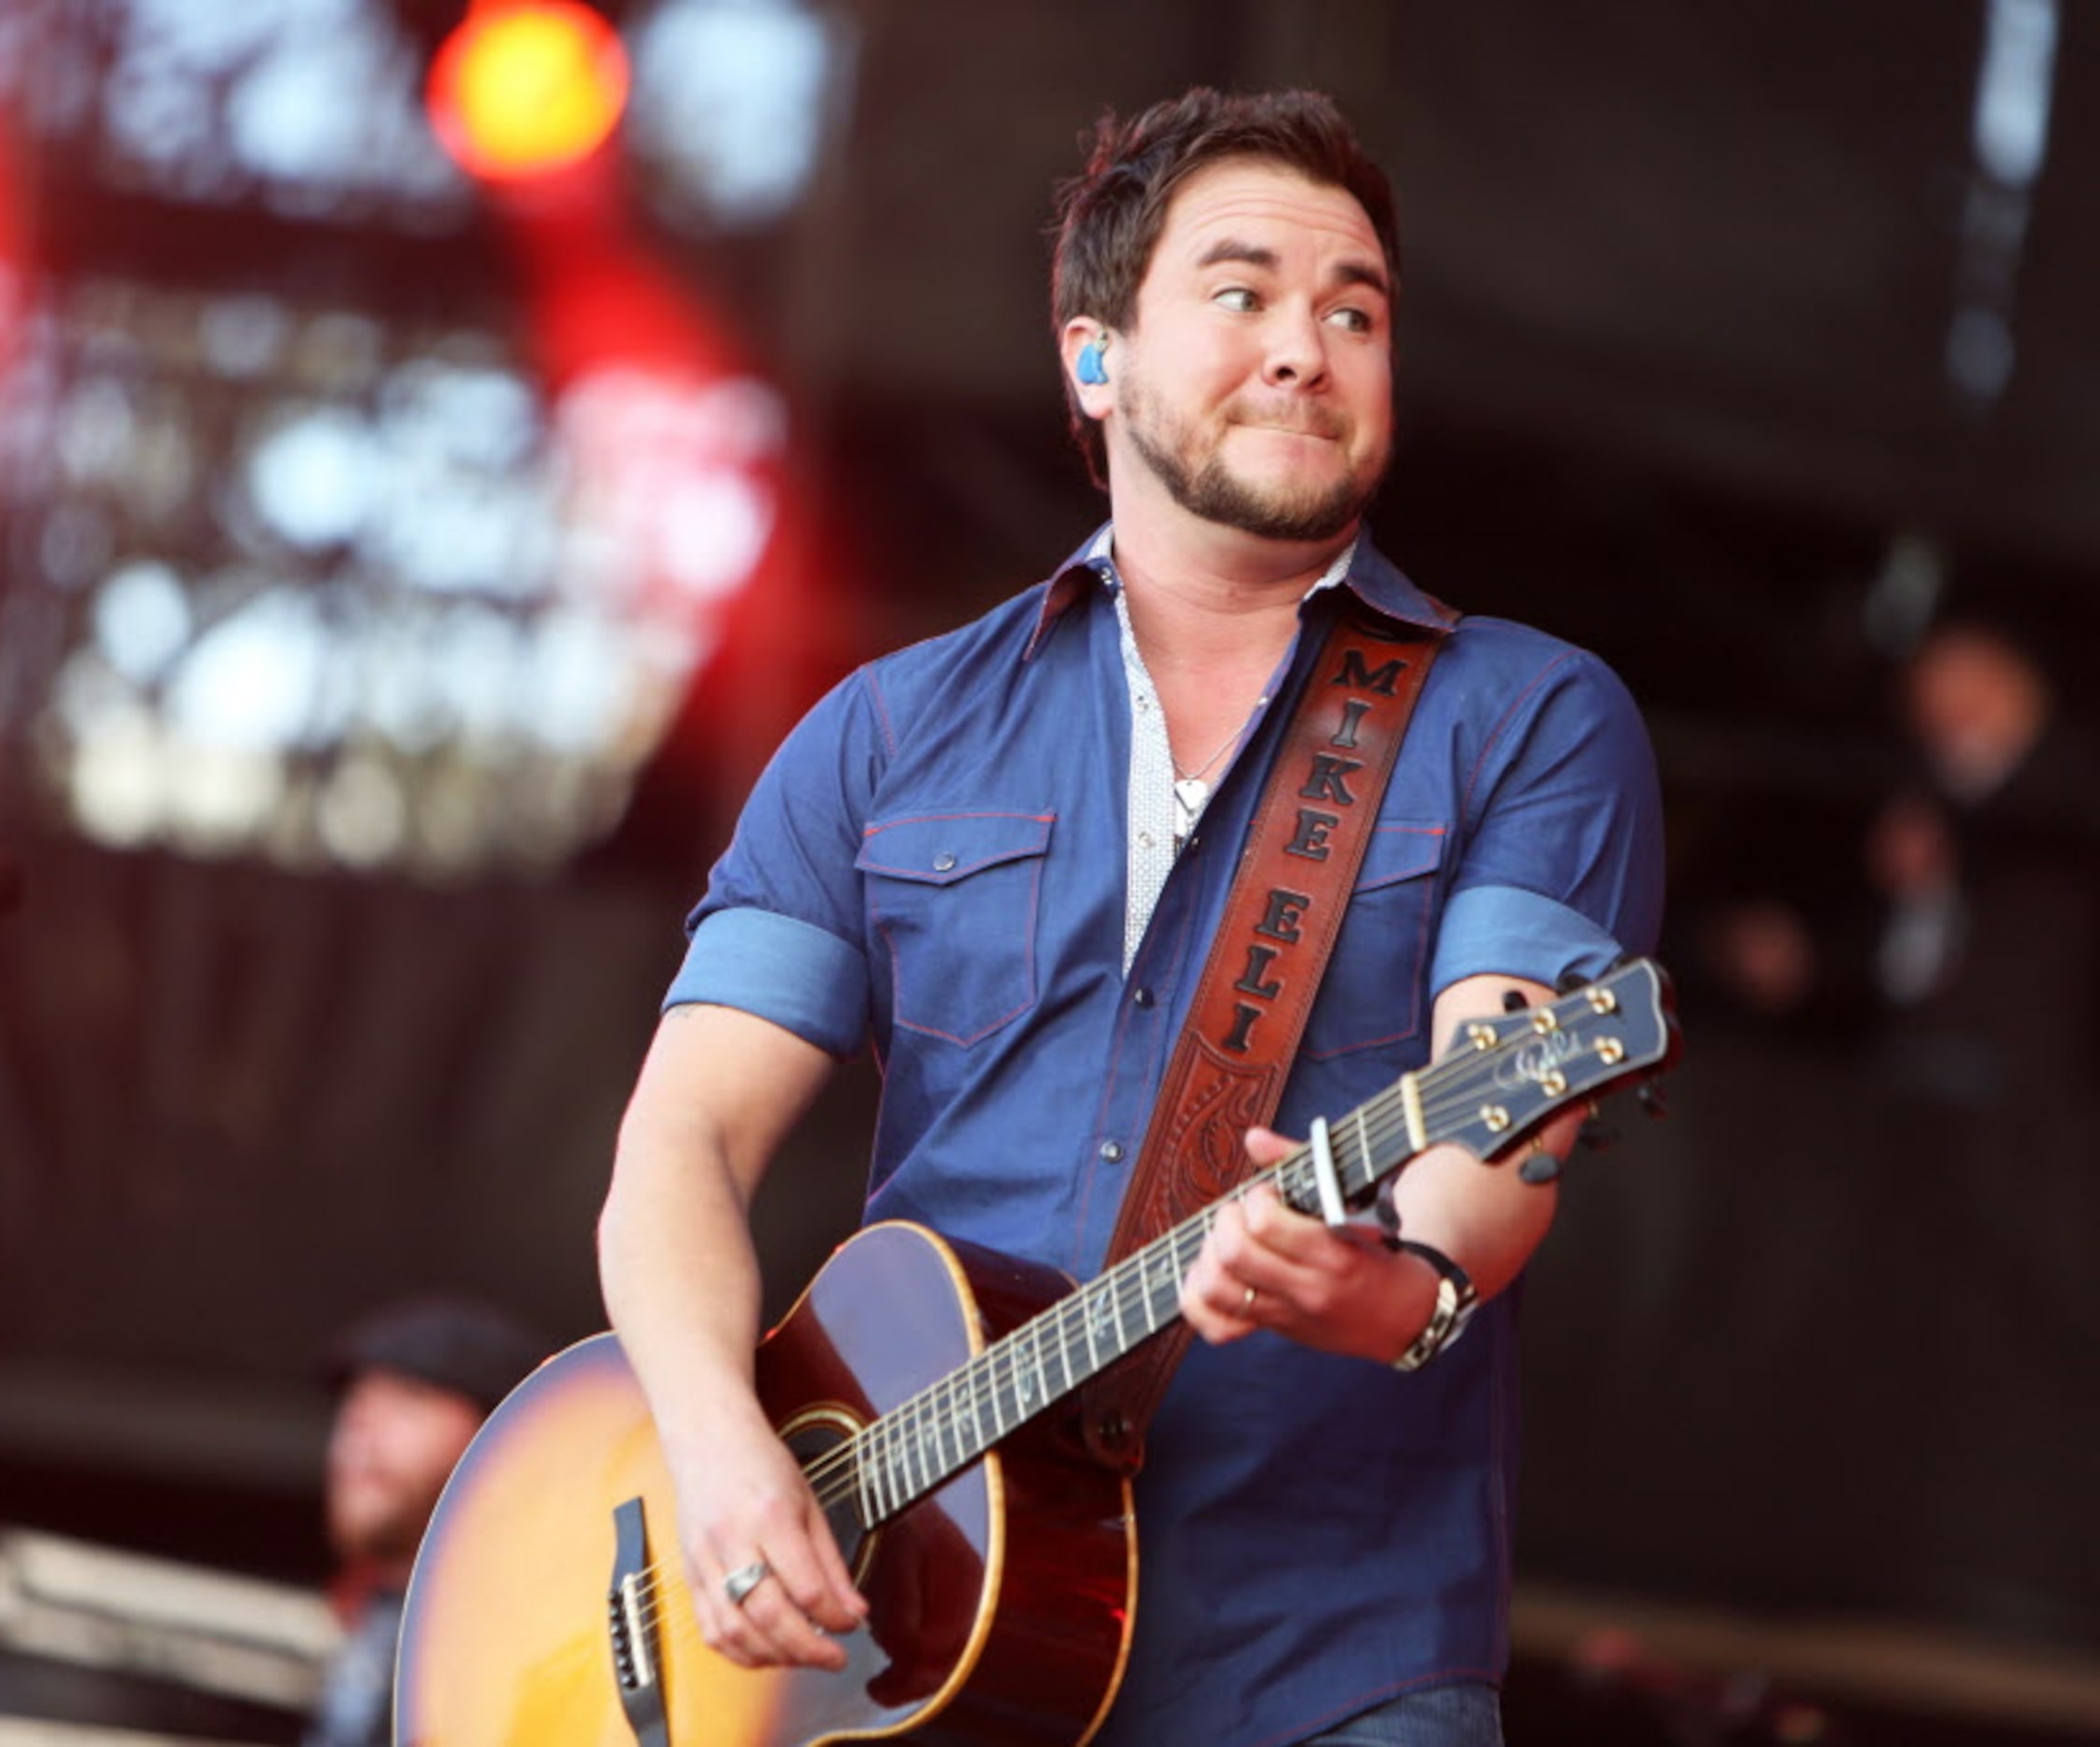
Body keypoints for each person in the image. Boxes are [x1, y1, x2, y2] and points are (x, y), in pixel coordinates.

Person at [595, 87, 1665, 1746]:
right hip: (905, 1658)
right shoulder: (884, 732)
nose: (1308, 346)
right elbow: (679, 1147)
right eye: (1242, 293)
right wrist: (720, 1442)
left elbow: (1502, 1114)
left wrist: (1384, 1280)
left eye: (1355, 309)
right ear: (1094, 359)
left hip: (1319, 1660)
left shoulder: (1524, 713)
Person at [304, 1297, 548, 1747]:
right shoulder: (368, 1611)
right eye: (358, 1400)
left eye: (408, 1400)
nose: (362, 1425)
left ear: (501, 1436)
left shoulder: (529, 1649)